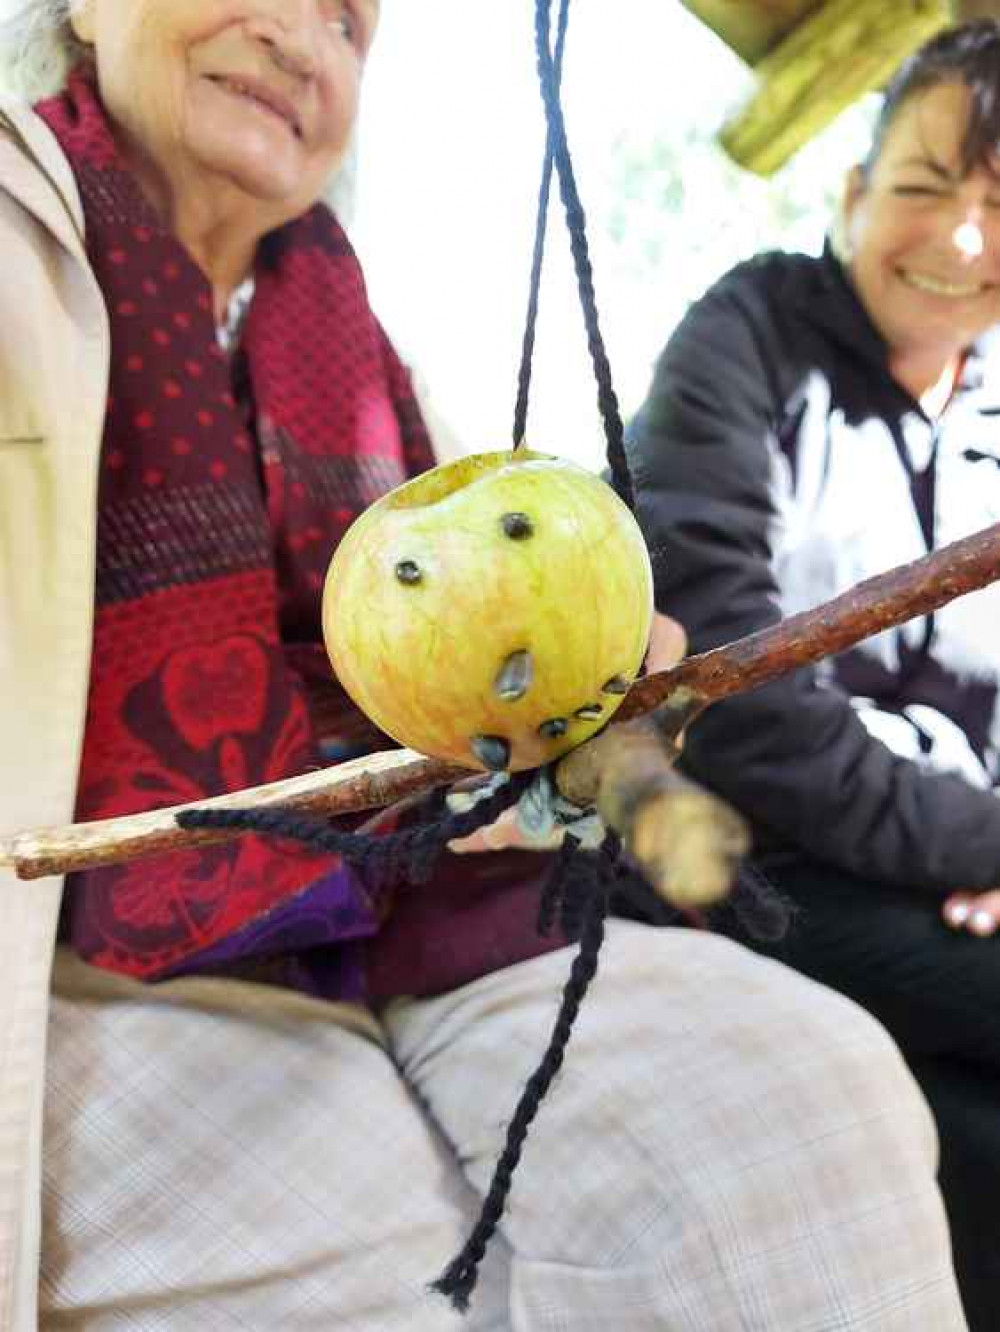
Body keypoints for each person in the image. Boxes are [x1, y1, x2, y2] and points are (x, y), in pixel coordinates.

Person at [0, 0, 968, 1328]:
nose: (301, 38)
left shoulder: (353, 340)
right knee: (389, 1248)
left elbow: (505, 731)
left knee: (814, 1095)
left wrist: (600, 723)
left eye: (350, 21)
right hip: (80, 955)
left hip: (432, 911)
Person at [627, 18, 1000, 1331]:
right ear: (850, 194)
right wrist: (983, 842)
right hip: (731, 859)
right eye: (919, 187)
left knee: (967, 1131)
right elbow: (737, 703)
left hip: (943, 871)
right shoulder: (742, 340)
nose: (961, 239)